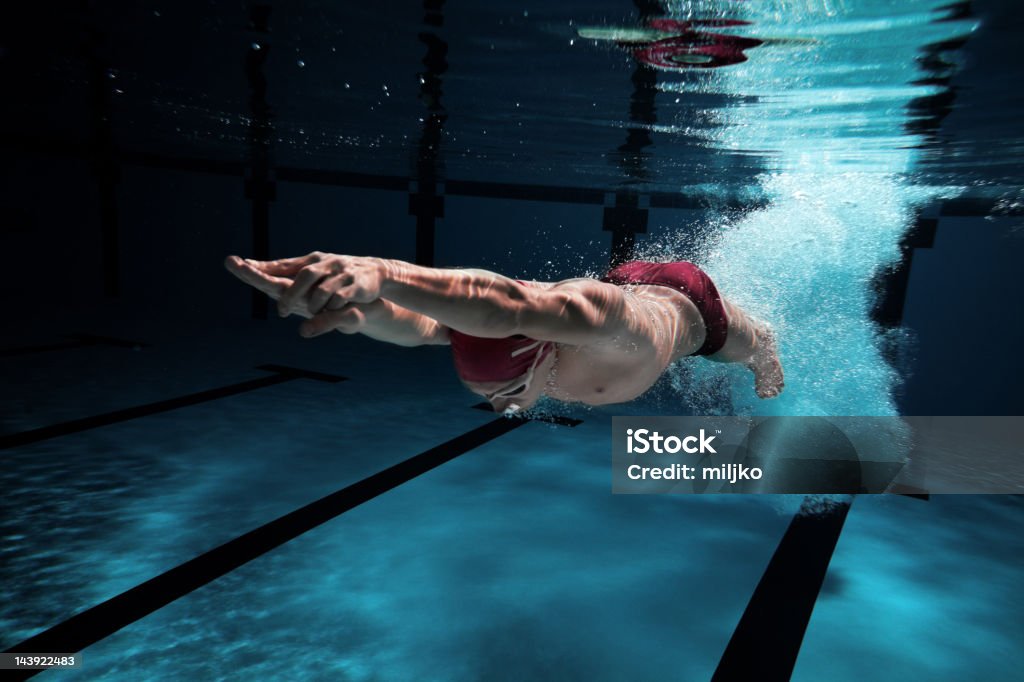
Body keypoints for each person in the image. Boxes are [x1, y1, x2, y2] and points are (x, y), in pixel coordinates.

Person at [224, 252, 783, 414]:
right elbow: (426, 329)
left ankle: (767, 354)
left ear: (538, 364)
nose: (501, 407)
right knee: (536, 311)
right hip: (605, 290)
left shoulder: (607, 324)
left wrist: (386, 273)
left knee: (750, 350)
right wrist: (358, 313)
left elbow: (512, 303)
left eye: (505, 394)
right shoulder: (531, 347)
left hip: (682, 303)